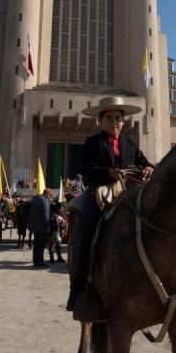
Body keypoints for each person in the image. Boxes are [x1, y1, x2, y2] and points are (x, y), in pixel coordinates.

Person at [67, 96, 154, 316]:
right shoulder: (92, 143)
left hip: (128, 191)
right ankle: (78, 286)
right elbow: (87, 169)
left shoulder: (130, 142)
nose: (114, 122)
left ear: (124, 122)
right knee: (86, 224)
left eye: (118, 118)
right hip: (100, 191)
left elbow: (144, 162)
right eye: (109, 118)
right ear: (100, 120)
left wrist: (148, 168)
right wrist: (108, 172)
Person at [28, 191, 51, 267]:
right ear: (48, 194)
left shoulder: (35, 199)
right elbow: (46, 215)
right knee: (41, 245)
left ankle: (35, 261)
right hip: (42, 227)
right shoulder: (45, 201)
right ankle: (40, 261)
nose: (50, 198)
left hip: (34, 226)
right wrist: (48, 227)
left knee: (36, 244)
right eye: (50, 196)